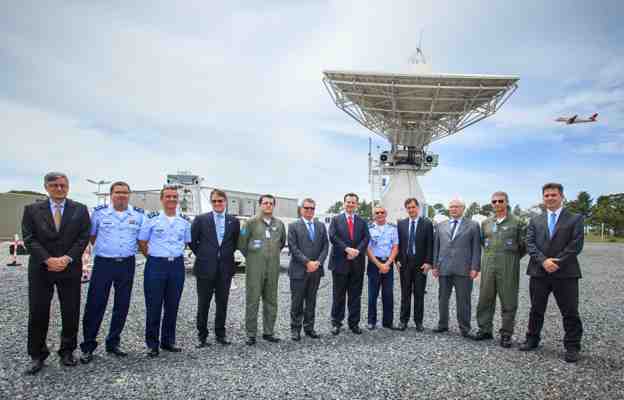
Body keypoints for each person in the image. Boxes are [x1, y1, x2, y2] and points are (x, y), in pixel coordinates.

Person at [21, 172, 91, 375]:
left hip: (69, 268)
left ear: (68, 186)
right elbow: (29, 238)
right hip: (41, 269)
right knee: (38, 311)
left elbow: (83, 236)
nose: (59, 188)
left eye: (63, 185)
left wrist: (67, 258)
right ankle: (37, 355)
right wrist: (48, 259)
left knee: (70, 311)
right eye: (54, 185)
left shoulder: (79, 209)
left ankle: (67, 351)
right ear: (46, 187)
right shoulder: (32, 210)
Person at [79, 182, 144, 364]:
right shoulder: (100, 213)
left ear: (129, 195)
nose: (121, 196)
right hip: (104, 263)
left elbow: (141, 239)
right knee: (95, 304)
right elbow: (92, 236)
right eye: (118, 192)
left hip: (127, 263)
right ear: (111, 194)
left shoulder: (138, 215)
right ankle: (88, 346)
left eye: (125, 192)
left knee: (122, 305)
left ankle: (113, 342)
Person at [519, 183, 584, 363]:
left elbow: (576, 245)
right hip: (539, 272)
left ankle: (572, 346)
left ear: (562, 196)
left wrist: (557, 262)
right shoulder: (535, 220)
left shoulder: (575, 218)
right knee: (536, 309)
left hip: (565, 273)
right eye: (546, 195)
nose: (550, 198)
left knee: (570, 311)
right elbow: (530, 243)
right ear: (543, 198)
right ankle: (532, 338)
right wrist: (543, 261)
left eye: (553, 195)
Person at [138, 185, 191, 357]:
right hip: (156, 265)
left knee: (172, 305)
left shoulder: (183, 221)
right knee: (153, 305)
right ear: (162, 199)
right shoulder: (151, 219)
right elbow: (143, 242)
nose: (172, 200)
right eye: (168, 196)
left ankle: (168, 341)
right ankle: (152, 344)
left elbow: (185, 243)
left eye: (175, 197)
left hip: (176, 266)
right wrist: (154, 257)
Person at [474, 191, 526, 348]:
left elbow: (523, 246)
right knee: (485, 298)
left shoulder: (517, 222)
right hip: (489, 264)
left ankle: (506, 334)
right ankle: (485, 329)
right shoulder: (486, 223)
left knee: (508, 300)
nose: (497, 204)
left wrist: (510, 258)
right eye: (494, 201)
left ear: (507, 202)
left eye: (500, 201)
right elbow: (483, 242)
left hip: (508, 265)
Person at [189, 189, 240, 347]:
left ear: (225, 202)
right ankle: (202, 336)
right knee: (203, 303)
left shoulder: (233, 221)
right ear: (211, 203)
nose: (218, 203)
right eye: (214, 201)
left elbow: (235, 242)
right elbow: (192, 241)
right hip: (205, 268)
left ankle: (220, 334)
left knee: (222, 303)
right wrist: (206, 255)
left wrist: (222, 255)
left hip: (225, 269)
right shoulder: (201, 219)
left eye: (220, 201)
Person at [238, 194, 286, 345]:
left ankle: (268, 332)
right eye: (265, 203)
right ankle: (251, 334)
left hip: (272, 267)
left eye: (271, 203)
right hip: (255, 268)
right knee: (253, 300)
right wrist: (253, 258)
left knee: (271, 300)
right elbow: (242, 244)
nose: (268, 206)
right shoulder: (250, 223)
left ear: (274, 206)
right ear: (260, 205)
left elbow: (282, 242)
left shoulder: (279, 224)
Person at [432, 198, 481, 338]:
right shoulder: (441, 226)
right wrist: (435, 266)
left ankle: (465, 328)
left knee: (463, 299)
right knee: (442, 298)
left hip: (464, 269)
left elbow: (476, 248)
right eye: (451, 207)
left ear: (463, 208)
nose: (453, 209)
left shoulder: (473, 226)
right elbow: (436, 247)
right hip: (444, 268)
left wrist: (475, 267)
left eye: (456, 207)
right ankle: (442, 324)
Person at [328, 193, 370, 335]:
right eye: (348, 202)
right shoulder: (335, 220)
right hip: (340, 263)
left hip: (357, 263)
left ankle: (354, 323)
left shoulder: (362, 221)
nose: (350, 205)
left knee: (355, 295)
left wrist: (357, 251)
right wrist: (347, 249)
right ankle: (336, 323)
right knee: (338, 295)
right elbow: (333, 237)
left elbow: (366, 238)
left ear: (357, 205)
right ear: (343, 203)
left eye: (353, 202)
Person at [287, 198, 329, 341]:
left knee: (311, 301)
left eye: (312, 208)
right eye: (306, 208)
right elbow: (293, 247)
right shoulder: (293, 226)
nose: (309, 211)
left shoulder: (321, 226)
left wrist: (318, 262)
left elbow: (325, 246)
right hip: (299, 271)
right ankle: (295, 329)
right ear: (301, 209)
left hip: (316, 270)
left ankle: (309, 328)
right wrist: (307, 263)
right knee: (297, 301)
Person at [396, 198, 433, 331]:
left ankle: (418, 322)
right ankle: (403, 321)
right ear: (406, 209)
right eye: (408, 208)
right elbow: (398, 245)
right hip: (405, 264)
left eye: (413, 207)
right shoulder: (401, 224)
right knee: (405, 294)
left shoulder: (427, 224)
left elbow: (430, 244)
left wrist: (429, 262)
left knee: (419, 294)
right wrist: (397, 260)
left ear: (418, 208)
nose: (411, 210)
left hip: (420, 265)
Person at [366, 206, 398, 330]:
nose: (379, 214)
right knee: (372, 294)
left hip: (388, 263)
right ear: (374, 215)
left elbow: (395, 247)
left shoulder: (392, 228)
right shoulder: (369, 229)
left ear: (386, 214)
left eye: (382, 212)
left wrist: (388, 263)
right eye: (377, 212)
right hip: (374, 264)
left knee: (388, 294)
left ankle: (388, 322)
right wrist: (379, 265)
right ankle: (371, 321)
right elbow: (367, 249)